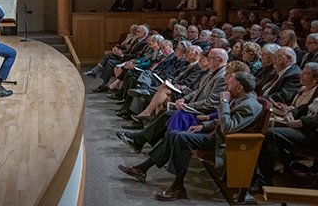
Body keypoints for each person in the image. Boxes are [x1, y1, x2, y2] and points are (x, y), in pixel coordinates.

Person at [119, 71, 261, 201]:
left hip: (226, 142)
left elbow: (228, 128)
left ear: (239, 88)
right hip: (215, 134)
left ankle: (177, 187)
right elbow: (223, 121)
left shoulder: (248, 105)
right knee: (174, 134)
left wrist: (223, 103)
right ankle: (143, 169)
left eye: (230, 84)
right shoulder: (241, 99)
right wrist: (203, 126)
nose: (227, 86)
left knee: (181, 137)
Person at [250, 63, 318, 194]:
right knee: (267, 127)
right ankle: (253, 172)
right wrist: (292, 113)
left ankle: (263, 181)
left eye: (305, 73)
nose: (301, 75)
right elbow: (306, 107)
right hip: (308, 131)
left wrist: (299, 122)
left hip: (314, 135)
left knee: (273, 134)